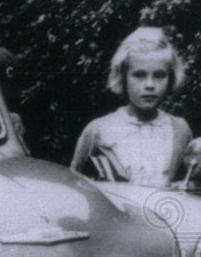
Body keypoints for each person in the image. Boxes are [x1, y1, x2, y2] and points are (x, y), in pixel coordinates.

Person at [70, 26, 192, 187]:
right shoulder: (99, 130)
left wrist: (189, 186)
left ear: (171, 78)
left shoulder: (180, 130)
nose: (150, 85)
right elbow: (74, 185)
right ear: (123, 77)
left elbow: (193, 185)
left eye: (159, 75)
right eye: (139, 75)